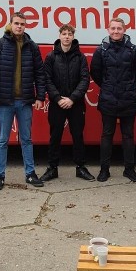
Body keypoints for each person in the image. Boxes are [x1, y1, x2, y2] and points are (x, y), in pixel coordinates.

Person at [0, 12, 46, 191]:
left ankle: (30, 174)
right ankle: (0, 175)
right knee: (2, 140)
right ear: (10, 24)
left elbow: (39, 74)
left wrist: (40, 96)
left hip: (25, 101)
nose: (19, 26)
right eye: (16, 23)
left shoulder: (32, 46)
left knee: (27, 139)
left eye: (22, 24)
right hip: (4, 102)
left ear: (26, 26)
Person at [90, 17, 136, 182]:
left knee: (128, 135)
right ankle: (104, 170)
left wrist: (127, 85)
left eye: (119, 29)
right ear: (108, 30)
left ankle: (129, 169)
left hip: (128, 98)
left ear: (124, 30)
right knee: (107, 135)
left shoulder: (134, 50)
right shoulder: (101, 51)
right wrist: (108, 86)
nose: (116, 31)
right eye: (113, 28)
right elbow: (96, 72)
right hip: (108, 98)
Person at [40, 24, 94, 182]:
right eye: (64, 34)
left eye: (69, 34)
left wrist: (72, 98)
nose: (66, 37)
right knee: (55, 136)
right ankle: (52, 168)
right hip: (57, 104)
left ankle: (81, 168)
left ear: (73, 37)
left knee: (78, 135)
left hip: (75, 103)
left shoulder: (80, 57)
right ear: (59, 36)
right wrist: (58, 98)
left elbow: (85, 79)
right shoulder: (51, 57)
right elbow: (47, 80)